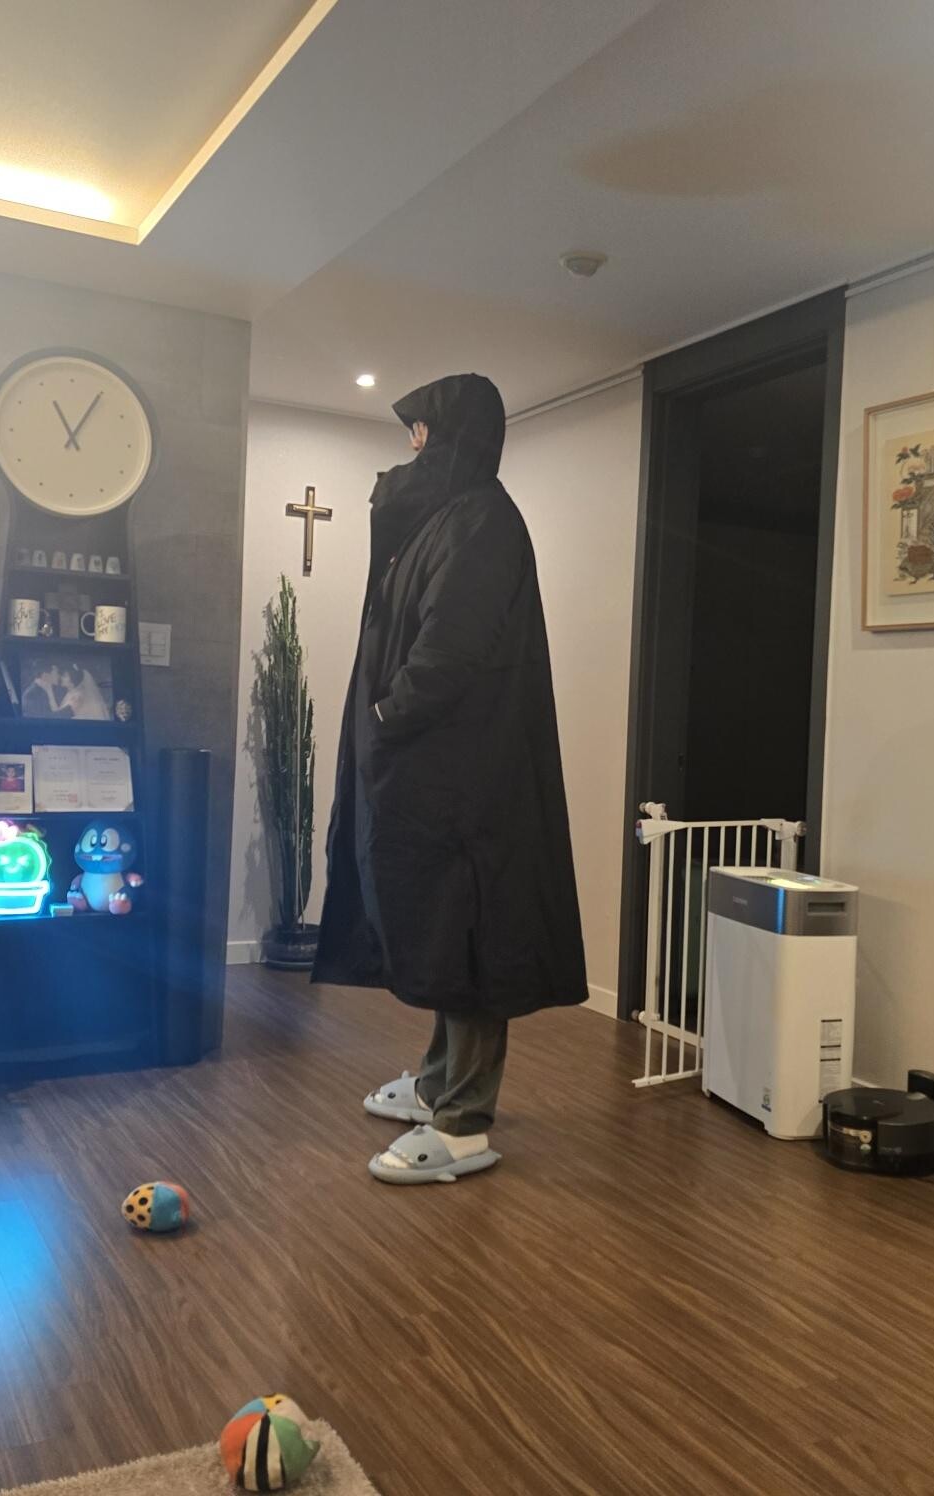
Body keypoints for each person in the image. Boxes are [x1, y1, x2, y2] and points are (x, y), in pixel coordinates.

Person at [312, 373, 587, 1185]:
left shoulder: (481, 521)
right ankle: (437, 1083)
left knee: (472, 934)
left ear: (454, 435)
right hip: (433, 765)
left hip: (467, 772)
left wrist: (388, 715)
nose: (413, 447)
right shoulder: (447, 516)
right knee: (439, 925)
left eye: (423, 432)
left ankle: (465, 1122)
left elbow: (452, 646)